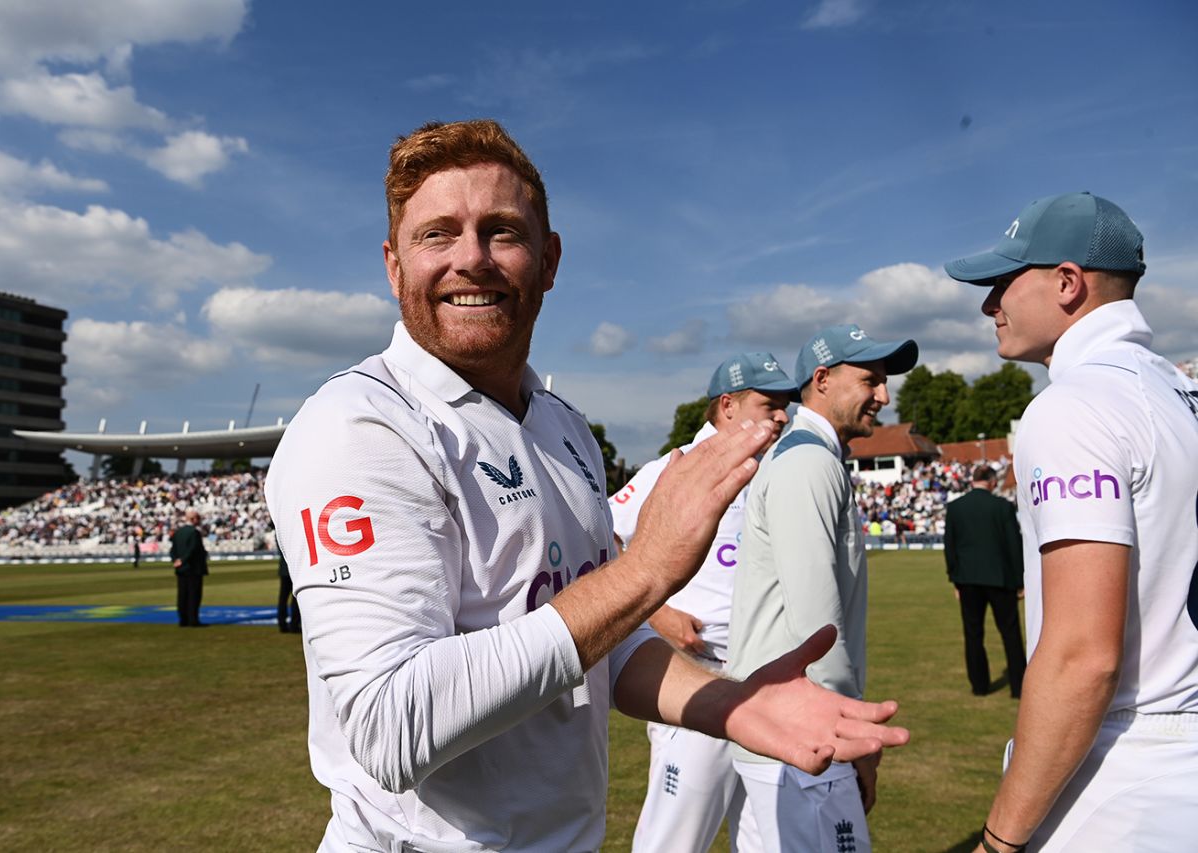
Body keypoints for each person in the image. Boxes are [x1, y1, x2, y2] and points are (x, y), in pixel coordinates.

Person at [264, 119, 908, 852]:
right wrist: (644, 570)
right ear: (392, 265)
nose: (471, 258)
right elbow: (389, 725)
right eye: (436, 235)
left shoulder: (565, 428)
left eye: (502, 231)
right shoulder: (358, 425)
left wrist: (733, 703)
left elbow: (607, 639)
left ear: (549, 259)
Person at [945, 191, 1198, 852]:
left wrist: (997, 839)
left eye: (1002, 283)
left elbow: (1083, 658)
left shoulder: (1075, 407)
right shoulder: (1177, 391)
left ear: (1067, 282)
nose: (987, 305)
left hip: (1130, 771)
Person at [728, 323, 918, 853]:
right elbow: (818, 626)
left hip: (781, 728)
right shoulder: (809, 461)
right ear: (822, 379)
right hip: (806, 732)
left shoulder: (810, 456)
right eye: (871, 380)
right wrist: (853, 738)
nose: (884, 395)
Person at [611, 353, 799, 853]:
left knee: (767, 839)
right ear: (728, 406)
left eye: (786, 405)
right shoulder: (675, 468)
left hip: (768, 679)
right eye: (770, 404)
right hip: (699, 675)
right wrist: (655, 612)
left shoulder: (775, 470)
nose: (783, 415)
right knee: (675, 841)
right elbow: (600, 533)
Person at [943, 465, 1026, 698]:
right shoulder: (1002, 507)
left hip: (968, 579)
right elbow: (1014, 544)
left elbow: (950, 547)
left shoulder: (956, 508)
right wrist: (1020, 580)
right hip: (1000, 579)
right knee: (1010, 634)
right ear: (991, 482)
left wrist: (955, 579)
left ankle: (979, 686)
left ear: (973, 480)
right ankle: (1018, 687)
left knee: (973, 634)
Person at [169, 509, 208, 627]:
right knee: (193, 595)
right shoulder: (194, 532)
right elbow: (193, 549)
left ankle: (183, 619)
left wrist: (176, 560)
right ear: (193, 519)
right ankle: (193, 620)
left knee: (182, 595)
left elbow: (172, 550)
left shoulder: (178, 532)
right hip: (193, 568)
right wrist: (183, 560)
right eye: (198, 518)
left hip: (181, 569)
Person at [276, 544, 300, 634]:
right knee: (295, 599)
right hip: (294, 569)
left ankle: (282, 624)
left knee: (283, 598)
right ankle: (294, 625)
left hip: (284, 569)